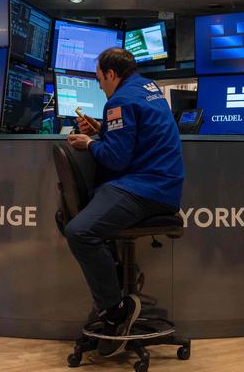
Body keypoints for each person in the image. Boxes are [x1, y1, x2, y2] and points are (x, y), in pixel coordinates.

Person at [66, 48, 184, 356]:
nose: (100, 86)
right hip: (158, 185)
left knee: (79, 231)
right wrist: (103, 129)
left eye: (99, 80)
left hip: (146, 189)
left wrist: (90, 143)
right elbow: (137, 137)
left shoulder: (119, 100)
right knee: (76, 215)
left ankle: (116, 311)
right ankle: (117, 284)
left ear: (110, 74)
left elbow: (116, 159)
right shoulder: (148, 88)